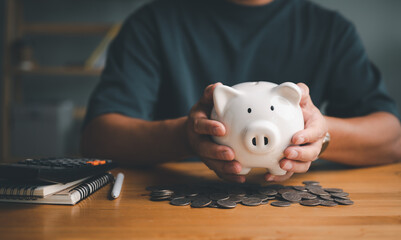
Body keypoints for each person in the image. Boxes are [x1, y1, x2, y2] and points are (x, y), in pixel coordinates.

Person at [81, 0, 401, 183]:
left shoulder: (331, 30)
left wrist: (320, 136)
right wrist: (187, 136)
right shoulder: (151, 23)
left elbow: (393, 137)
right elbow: (99, 137)